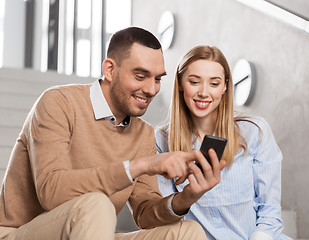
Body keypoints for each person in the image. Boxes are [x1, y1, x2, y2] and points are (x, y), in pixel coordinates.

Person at [0, 27, 223, 240]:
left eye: (157, 79)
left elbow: (144, 215)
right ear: (109, 69)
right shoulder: (59, 103)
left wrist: (187, 197)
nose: (151, 89)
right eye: (140, 75)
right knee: (97, 204)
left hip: (91, 231)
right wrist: (142, 165)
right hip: (21, 232)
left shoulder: (144, 134)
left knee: (188, 232)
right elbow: (51, 192)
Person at [156, 45, 293, 240]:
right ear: (179, 83)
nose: (204, 92)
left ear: (225, 86)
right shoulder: (161, 140)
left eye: (214, 83)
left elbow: (269, 212)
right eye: (194, 82)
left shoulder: (254, 131)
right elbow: (166, 219)